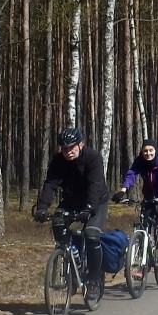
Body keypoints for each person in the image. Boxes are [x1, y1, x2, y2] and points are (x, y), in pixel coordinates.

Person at [34, 128, 109, 302]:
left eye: (71, 147)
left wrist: (89, 207)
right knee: (58, 223)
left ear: (80, 144)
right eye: (64, 148)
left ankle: (93, 281)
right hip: (71, 200)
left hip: (96, 201)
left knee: (91, 234)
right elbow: (50, 184)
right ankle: (70, 257)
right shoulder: (58, 161)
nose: (68, 151)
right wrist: (42, 208)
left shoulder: (93, 157)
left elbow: (95, 184)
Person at [111, 139, 158, 256]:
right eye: (145, 151)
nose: (148, 153)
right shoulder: (140, 161)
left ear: (155, 150)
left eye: (151, 150)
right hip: (149, 197)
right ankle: (142, 265)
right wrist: (123, 190)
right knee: (144, 224)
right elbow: (131, 174)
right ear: (142, 152)